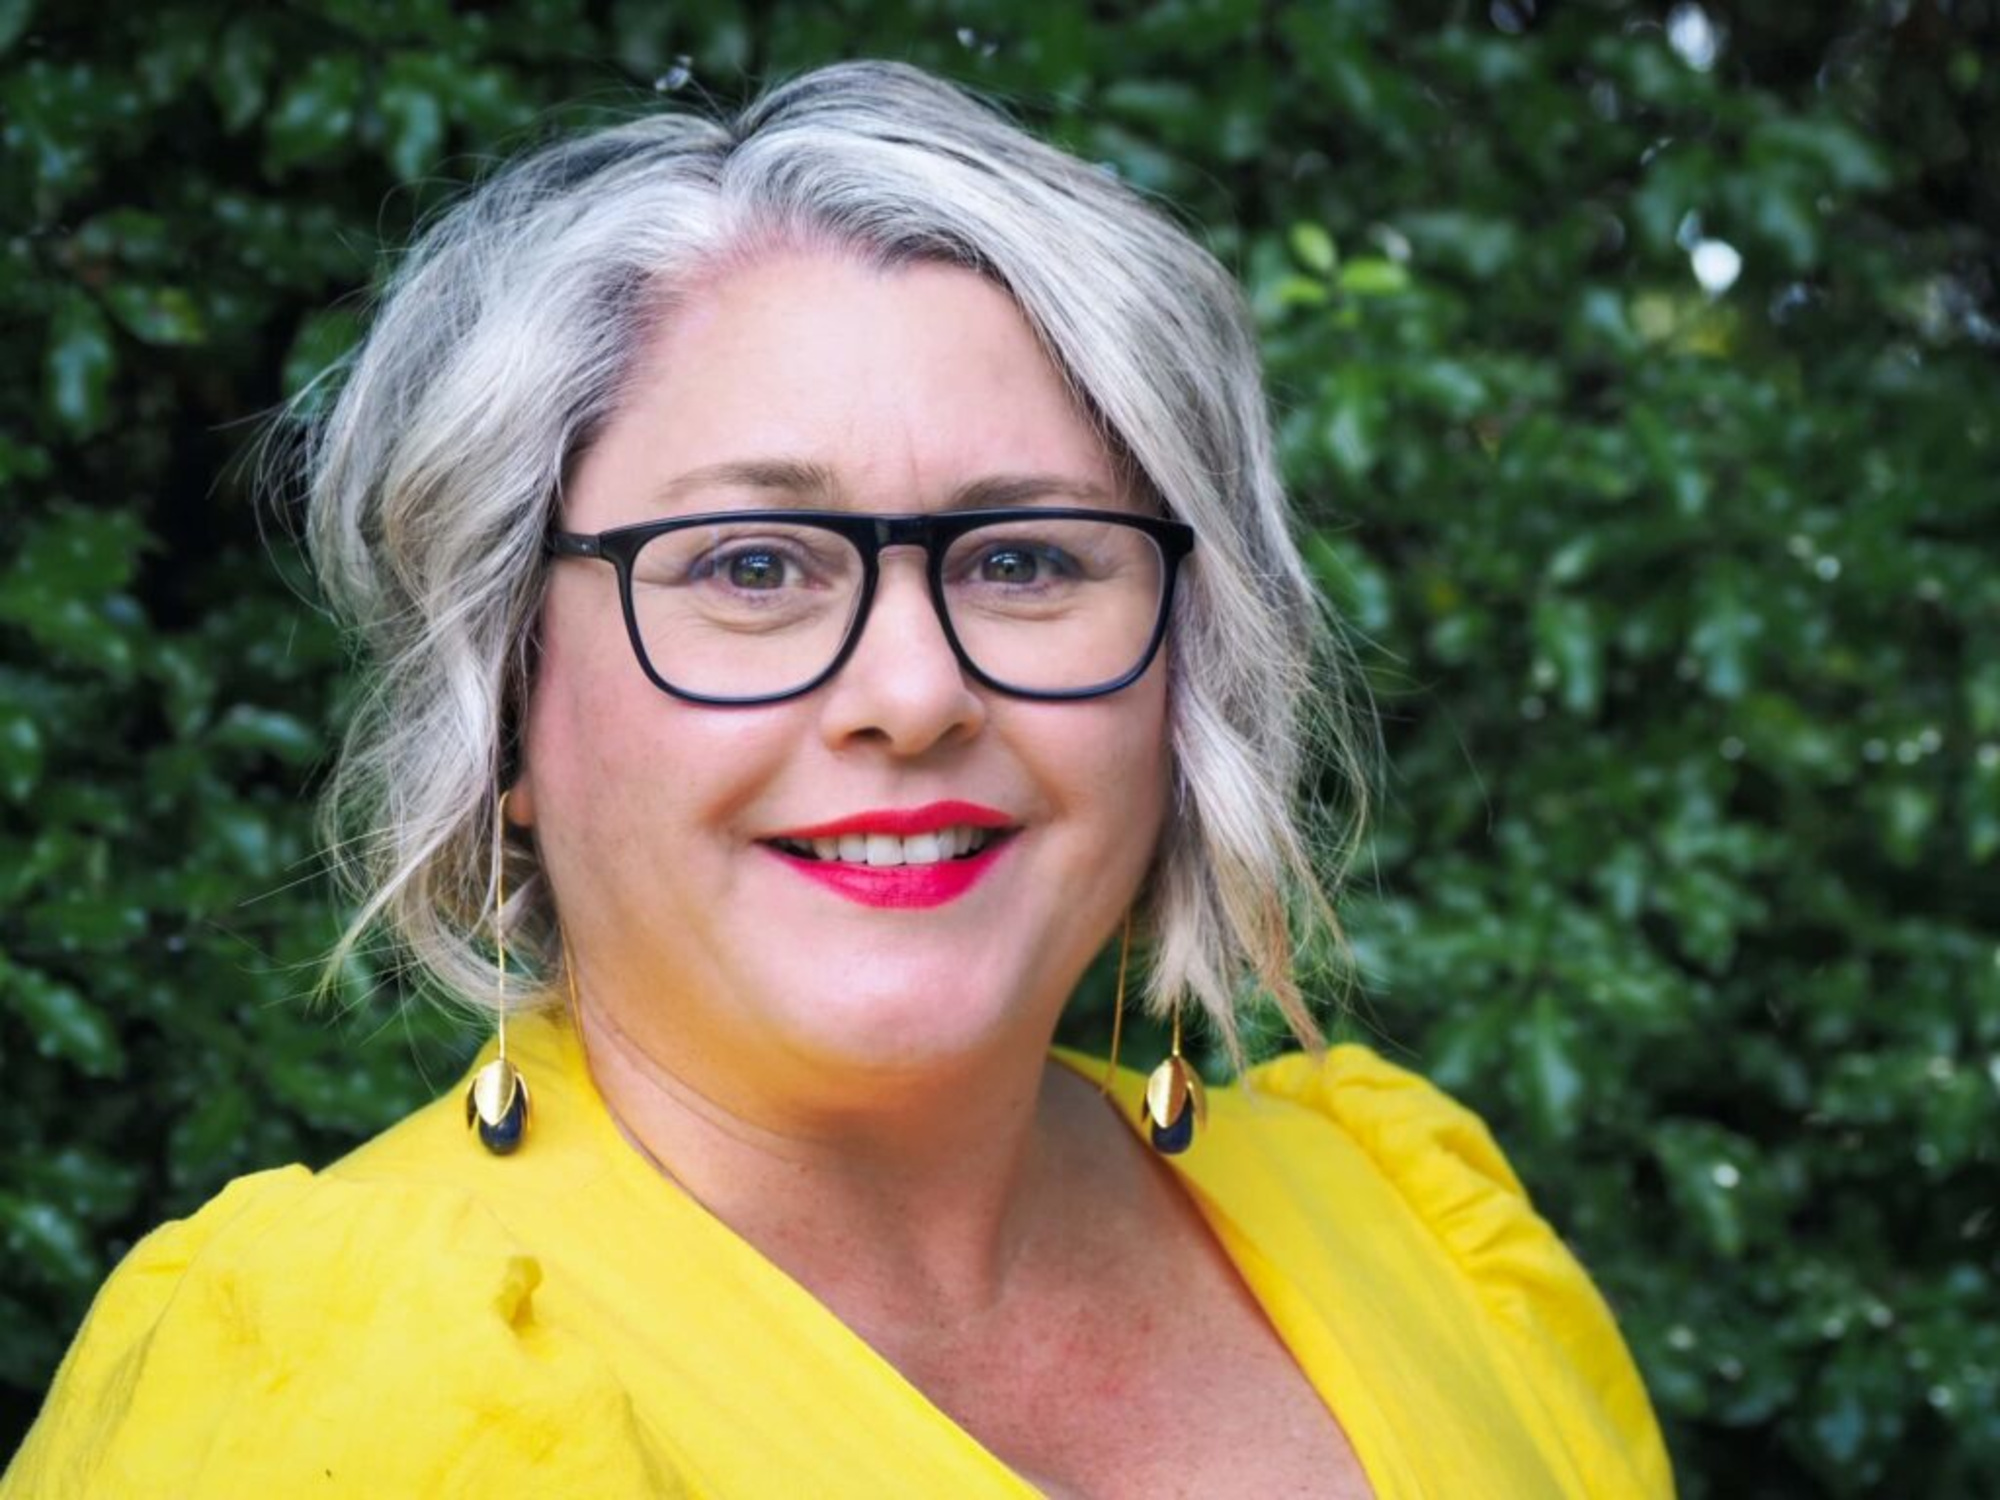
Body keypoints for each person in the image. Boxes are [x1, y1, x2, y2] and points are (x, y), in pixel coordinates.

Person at [2, 61, 1672, 1498]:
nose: (913, 693)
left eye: (1023, 558)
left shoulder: (1416, 1227)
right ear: (504, 698)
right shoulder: (314, 1397)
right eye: (749, 564)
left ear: (1186, 665)